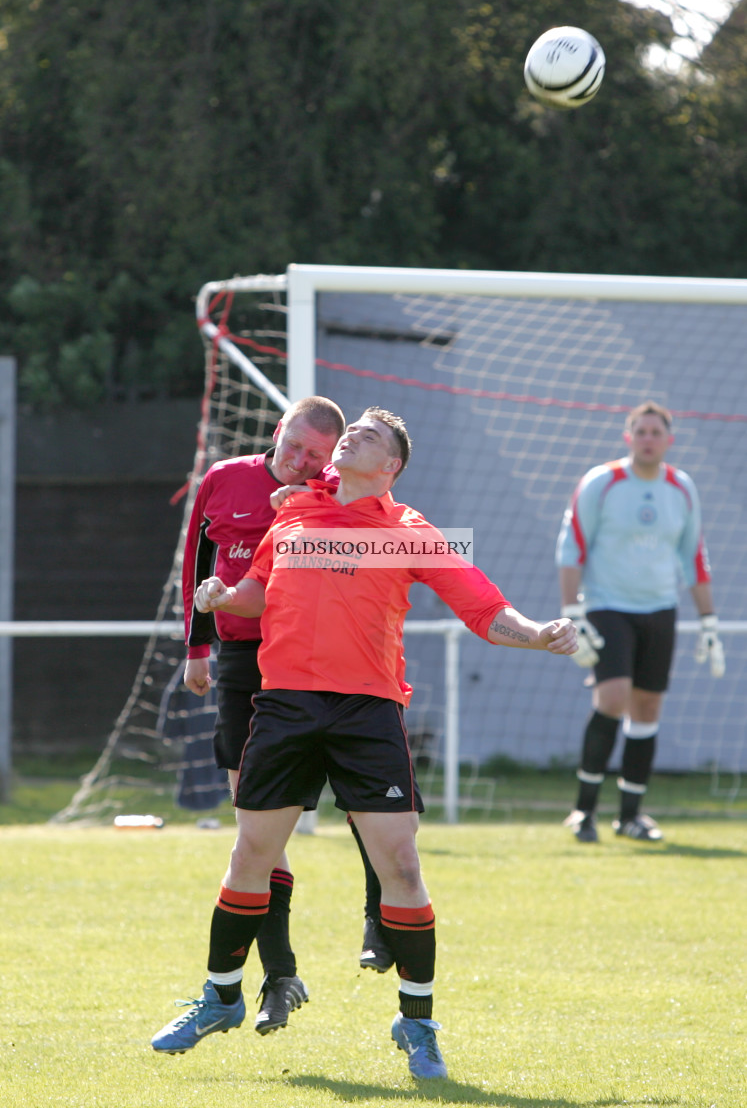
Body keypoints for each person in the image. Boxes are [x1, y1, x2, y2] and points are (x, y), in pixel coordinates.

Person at [152, 406, 578, 1077]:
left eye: (369, 438)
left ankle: (416, 1024)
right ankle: (222, 996)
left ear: (391, 468)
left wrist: (538, 634)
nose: (351, 437)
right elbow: (259, 593)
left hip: (366, 712)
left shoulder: (409, 531)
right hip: (285, 704)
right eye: (351, 432)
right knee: (250, 856)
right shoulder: (290, 516)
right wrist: (221, 596)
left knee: (401, 867)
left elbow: (481, 606)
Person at [180, 394, 391, 1038]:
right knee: (254, 825)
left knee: (368, 801)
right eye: (294, 447)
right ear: (278, 431)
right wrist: (195, 646)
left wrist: (310, 494)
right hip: (244, 662)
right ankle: (280, 975)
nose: (301, 463)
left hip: (317, 664)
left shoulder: (328, 488)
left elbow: (366, 502)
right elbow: (197, 559)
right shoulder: (223, 479)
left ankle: (380, 914)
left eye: (316, 456)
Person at [556, 400, 725, 845]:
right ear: (628, 438)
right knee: (613, 699)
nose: (648, 439)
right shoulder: (602, 482)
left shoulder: (682, 487)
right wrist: (572, 613)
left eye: (656, 432)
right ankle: (584, 811)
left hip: (660, 610)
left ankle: (631, 816)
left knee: (647, 709)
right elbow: (571, 547)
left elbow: (694, 556)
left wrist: (708, 621)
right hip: (608, 607)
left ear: (669, 440)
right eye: (641, 432)